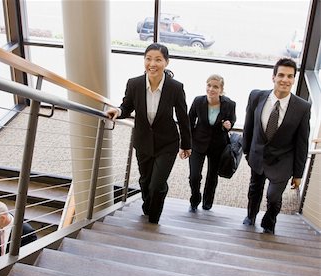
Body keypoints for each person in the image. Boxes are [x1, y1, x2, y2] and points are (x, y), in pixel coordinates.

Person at [106, 43, 192, 224]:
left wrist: (186, 144)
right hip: (143, 141)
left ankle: (154, 217)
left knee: (157, 184)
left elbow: (183, 117)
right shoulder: (134, 84)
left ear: (166, 63)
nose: (152, 63)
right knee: (145, 182)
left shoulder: (175, 87)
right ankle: (148, 205)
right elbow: (126, 106)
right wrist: (118, 112)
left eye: (158, 60)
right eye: (148, 59)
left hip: (167, 143)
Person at [242, 58, 311, 234]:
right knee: (254, 189)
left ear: (294, 79)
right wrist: (247, 152)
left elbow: (302, 142)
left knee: (273, 196)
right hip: (257, 155)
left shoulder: (302, 107)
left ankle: (269, 222)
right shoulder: (256, 96)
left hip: (283, 160)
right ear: (273, 77)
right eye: (281, 75)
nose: (285, 80)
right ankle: (251, 216)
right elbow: (249, 126)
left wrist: (298, 173)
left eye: (290, 76)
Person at [188, 74, 236, 212]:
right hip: (198, 143)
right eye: (209, 85)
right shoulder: (198, 101)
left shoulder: (229, 104)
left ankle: (207, 202)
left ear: (221, 89)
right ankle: (195, 197)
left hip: (218, 145)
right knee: (194, 176)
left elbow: (232, 120)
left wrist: (229, 124)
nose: (211, 89)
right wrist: (186, 143)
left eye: (215, 86)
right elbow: (189, 122)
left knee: (212, 176)